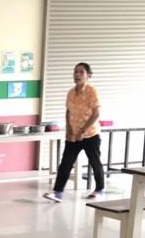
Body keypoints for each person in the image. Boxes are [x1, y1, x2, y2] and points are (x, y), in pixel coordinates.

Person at [43, 62, 105, 202]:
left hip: (90, 135)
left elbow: (96, 114)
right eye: (75, 72)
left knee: (95, 162)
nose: (77, 74)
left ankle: (99, 189)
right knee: (66, 163)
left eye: (81, 72)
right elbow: (68, 112)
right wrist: (69, 129)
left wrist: (83, 130)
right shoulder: (71, 93)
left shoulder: (92, 91)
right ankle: (57, 192)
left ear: (88, 75)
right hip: (74, 136)